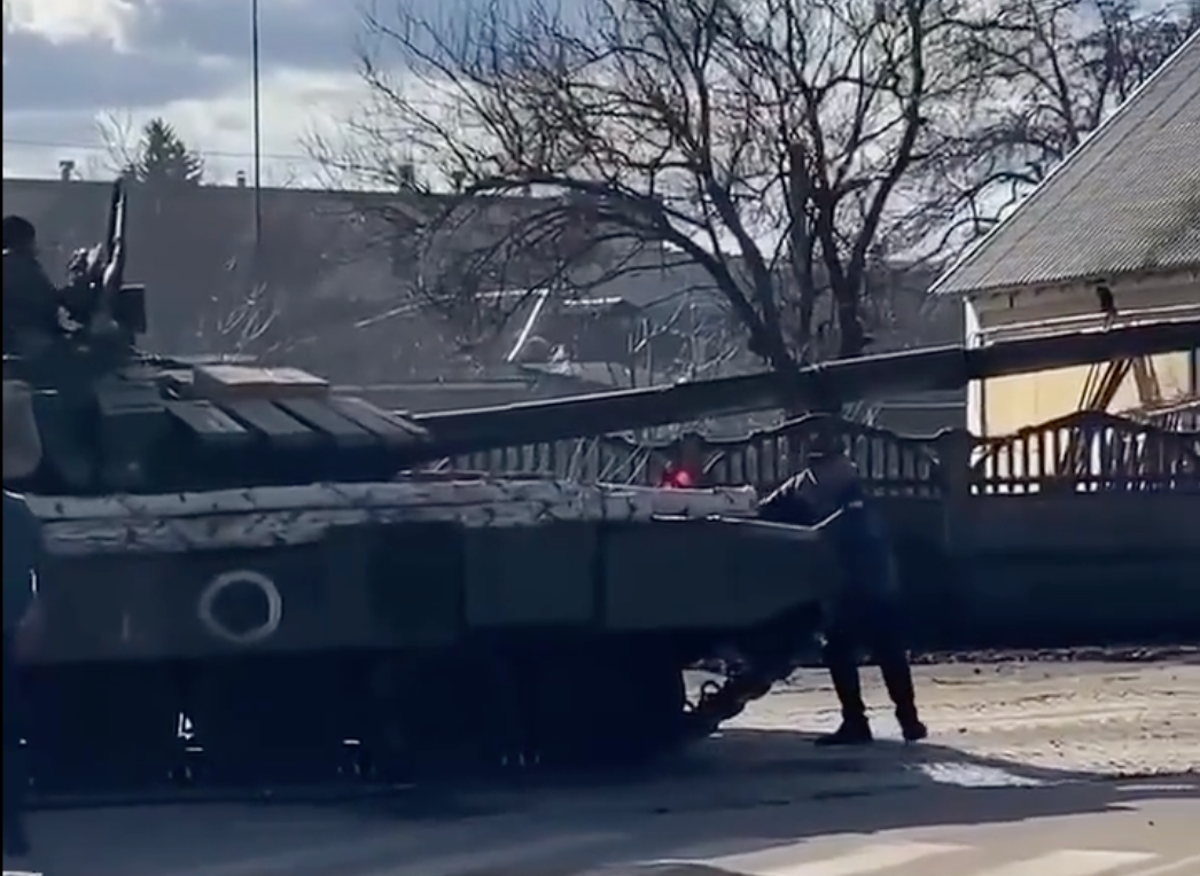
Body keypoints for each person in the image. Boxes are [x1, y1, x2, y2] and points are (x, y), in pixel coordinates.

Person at [759, 422, 927, 746]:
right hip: (844, 585)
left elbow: (840, 530)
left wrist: (809, 532)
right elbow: (769, 509)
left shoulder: (854, 496)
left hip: (872, 583)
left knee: (884, 651)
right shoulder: (804, 486)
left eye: (831, 462)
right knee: (842, 651)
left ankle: (905, 719)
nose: (827, 469)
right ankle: (863, 721)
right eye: (820, 462)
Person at [3, 379, 45, 862]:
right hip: (8, 631)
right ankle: (11, 828)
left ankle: (11, 825)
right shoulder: (18, 513)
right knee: (7, 735)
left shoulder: (16, 514)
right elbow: (41, 572)